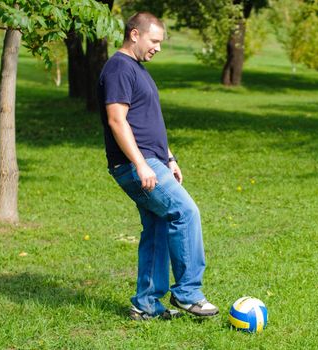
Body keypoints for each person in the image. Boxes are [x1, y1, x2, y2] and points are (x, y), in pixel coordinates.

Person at [98, 12, 219, 320]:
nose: (158, 48)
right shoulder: (118, 68)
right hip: (136, 164)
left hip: (153, 161)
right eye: (154, 41)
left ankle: (146, 304)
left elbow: (146, 121)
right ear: (134, 35)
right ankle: (188, 293)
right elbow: (117, 120)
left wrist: (169, 158)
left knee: (158, 226)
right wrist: (141, 164)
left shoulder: (136, 70)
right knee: (186, 212)